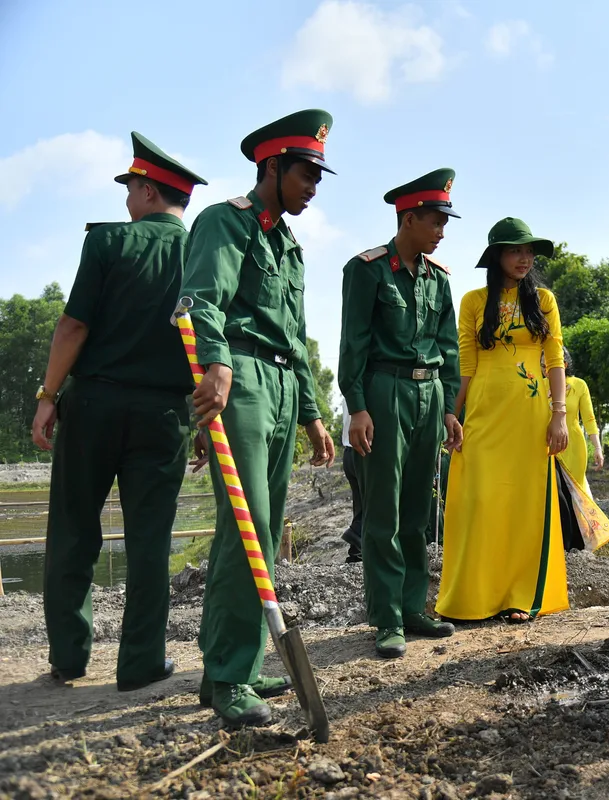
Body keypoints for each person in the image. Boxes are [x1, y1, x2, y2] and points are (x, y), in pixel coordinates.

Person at [31, 133, 207, 690]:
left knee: (74, 531)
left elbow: (73, 326)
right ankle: (140, 664)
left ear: (148, 191)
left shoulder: (109, 243)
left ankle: (69, 657)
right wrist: (205, 420)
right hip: (165, 415)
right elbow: (211, 341)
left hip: (93, 406)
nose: (127, 200)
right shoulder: (202, 254)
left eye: (131, 188)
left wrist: (46, 396)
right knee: (151, 540)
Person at [182, 109, 337, 726]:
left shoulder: (290, 247)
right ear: (271, 167)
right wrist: (215, 363)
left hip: (278, 381)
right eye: (306, 173)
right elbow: (199, 301)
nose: (314, 187)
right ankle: (226, 676)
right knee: (245, 525)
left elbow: (295, 338)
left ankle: (237, 667)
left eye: (319, 177)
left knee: (265, 530)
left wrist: (312, 413)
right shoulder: (226, 222)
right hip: (240, 378)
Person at [338, 168, 462, 659]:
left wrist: (450, 410)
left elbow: (448, 350)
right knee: (383, 510)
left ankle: (413, 608)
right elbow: (354, 344)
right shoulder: (367, 269)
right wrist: (358, 408)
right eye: (436, 221)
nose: (442, 231)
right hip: (384, 392)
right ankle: (386, 617)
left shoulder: (439, 279)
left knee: (419, 508)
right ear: (409, 218)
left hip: (429, 396)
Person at [436, 217, 571, 623]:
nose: (525, 258)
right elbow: (465, 362)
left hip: (531, 418)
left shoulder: (544, 300)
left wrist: (559, 415)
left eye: (529, 251)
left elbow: (554, 359)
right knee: (478, 501)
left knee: (524, 505)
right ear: (497, 255)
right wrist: (451, 414)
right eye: (516, 250)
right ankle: (471, 599)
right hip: (482, 414)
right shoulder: (474, 301)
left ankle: (519, 597)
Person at [543, 347, 604, 496]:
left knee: (575, 492)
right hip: (546, 447)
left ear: (564, 364)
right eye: (542, 366)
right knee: (550, 493)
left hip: (574, 446)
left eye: (549, 365)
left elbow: (589, 419)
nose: (545, 370)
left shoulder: (579, 385)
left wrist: (597, 447)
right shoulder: (538, 386)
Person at [340, 407, 363, 563]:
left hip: (350, 451)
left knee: (362, 505)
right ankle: (356, 533)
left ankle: (357, 554)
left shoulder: (353, 387)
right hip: (365, 450)